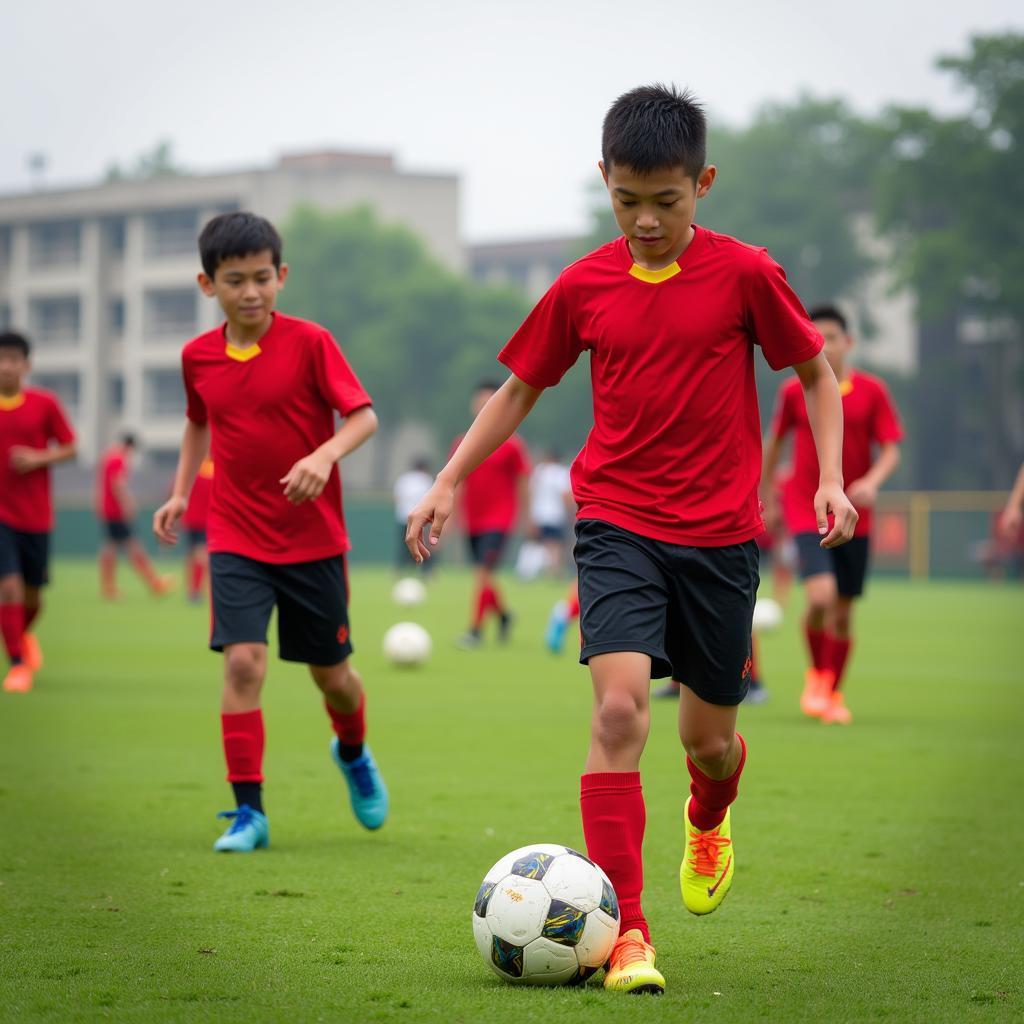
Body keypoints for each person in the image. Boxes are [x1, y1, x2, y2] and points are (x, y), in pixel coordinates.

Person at [406, 85, 856, 994]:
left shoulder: (745, 274)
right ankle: (628, 933)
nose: (647, 221)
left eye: (668, 201)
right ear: (604, 181)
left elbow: (816, 372)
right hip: (616, 522)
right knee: (617, 715)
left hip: (722, 538)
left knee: (708, 743)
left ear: (704, 183)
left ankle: (711, 808)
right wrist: (449, 479)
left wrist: (831, 477)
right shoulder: (582, 285)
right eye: (628, 202)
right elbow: (520, 391)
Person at [153, 211, 387, 853]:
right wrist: (179, 494)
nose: (250, 292)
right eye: (235, 280)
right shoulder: (195, 357)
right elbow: (197, 423)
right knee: (243, 663)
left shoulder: (312, 342)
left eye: (262, 278)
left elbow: (363, 418)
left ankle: (354, 753)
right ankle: (249, 813)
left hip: (313, 541)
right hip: (234, 535)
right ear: (209, 285)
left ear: (280, 276)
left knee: (333, 678)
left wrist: (322, 455)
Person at [764, 304, 902, 725]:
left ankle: (832, 690)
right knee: (820, 596)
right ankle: (816, 678)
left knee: (842, 612)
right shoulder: (793, 391)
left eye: (833, 338)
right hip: (807, 506)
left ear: (849, 343)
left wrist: (873, 482)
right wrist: (767, 494)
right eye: (816, 337)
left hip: (855, 514)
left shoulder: (873, 392)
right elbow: (775, 442)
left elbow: (891, 447)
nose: (825, 346)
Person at [0, 331, 76, 693]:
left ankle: (20, 634)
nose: (5, 367)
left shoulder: (45, 404)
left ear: (26, 365)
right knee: (9, 586)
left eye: (12, 359)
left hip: (35, 516)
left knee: (33, 597)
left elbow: (71, 448)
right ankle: (16, 664)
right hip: (1, 517)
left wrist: (38, 458)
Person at [451, 381, 530, 649]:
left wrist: (527, 518)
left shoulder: (512, 444)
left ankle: (475, 630)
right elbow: (456, 479)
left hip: (500, 518)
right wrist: (449, 515)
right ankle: (505, 616)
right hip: (473, 519)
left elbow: (522, 482)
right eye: (480, 401)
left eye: (490, 401)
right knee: (485, 575)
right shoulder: (462, 442)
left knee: (483, 573)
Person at [97, 433, 173, 599]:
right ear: (129, 447)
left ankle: (108, 587)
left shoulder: (108, 456)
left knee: (111, 547)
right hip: (116, 511)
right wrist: (128, 503)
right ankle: (154, 583)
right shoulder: (118, 459)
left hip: (108, 510)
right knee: (133, 546)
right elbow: (118, 484)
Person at [529, 448, 574, 575]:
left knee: (546, 543)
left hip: (539, 514)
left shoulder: (539, 471)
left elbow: (532, 492)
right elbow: (565, 494)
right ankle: (553, 571)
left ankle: (549, 570)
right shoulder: (560, 473)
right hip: (555, 514)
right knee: (555, 544)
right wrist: (571, 512)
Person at [393, 457, 434, 575]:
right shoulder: (426, 479)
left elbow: (397, 498)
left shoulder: (404, 479)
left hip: (403, 518)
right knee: (423, 544)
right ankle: (426, 572)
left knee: (404, 545)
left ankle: (400, 571)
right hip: (421, 519)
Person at [182, 458, 214, 602]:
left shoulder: (192, 469)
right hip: (205, 519)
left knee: (192, 555)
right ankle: (195, 590)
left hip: (191, 519)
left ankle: (192, 589)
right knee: (200, 555)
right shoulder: (214, 471)